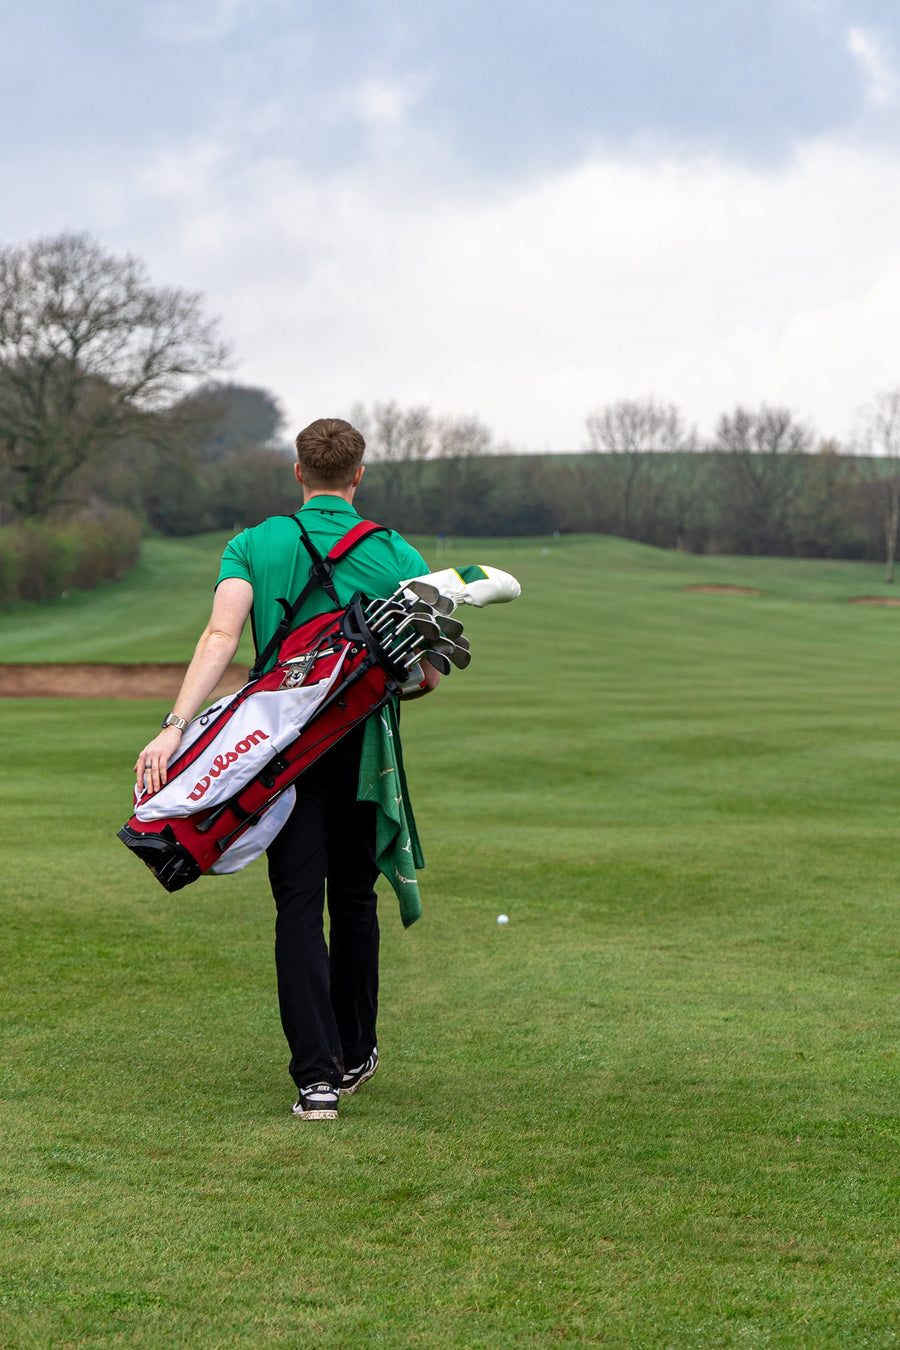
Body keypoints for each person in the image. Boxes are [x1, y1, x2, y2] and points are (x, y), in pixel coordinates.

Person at [134, 417, 440, 1120]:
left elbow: (220, 635)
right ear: (358, 476)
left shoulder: (253, 543)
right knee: (355, 900)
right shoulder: (396, 552)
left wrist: (175, 727)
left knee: (298, 905)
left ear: (297, 474)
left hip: (280, 757)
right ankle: (356, 1052)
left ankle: (317, 1081)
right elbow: (424, 675)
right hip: (363, 754)